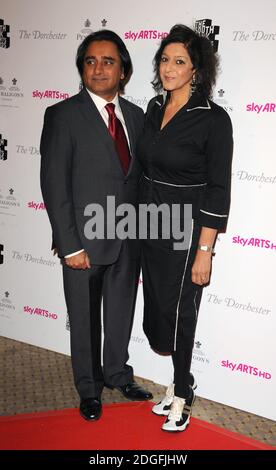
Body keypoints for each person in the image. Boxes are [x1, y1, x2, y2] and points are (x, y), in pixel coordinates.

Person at [40, 30, 152, 422]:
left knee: (121, 312)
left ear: (123, 70)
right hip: (83, 242)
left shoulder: (137, 117)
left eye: (108, 61)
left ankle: (118, 373)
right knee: (84, 320)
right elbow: (54, 184)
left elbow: (137, 180)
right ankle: (88, 388)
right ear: (81, 68)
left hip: (128, 239)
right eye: (90, 61)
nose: (99, 68)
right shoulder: (62, 115)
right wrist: (69, 245)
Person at [137, 24, 233, 432]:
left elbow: (217, 189)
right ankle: (180, 381)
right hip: (149, 226)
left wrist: (204, 251)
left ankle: (182, 392)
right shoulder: (154, 109)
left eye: (180, 61)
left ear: (197, 69)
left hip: (186, 232)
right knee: (160, 313)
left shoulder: (213, 119)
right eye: (165, 59)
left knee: (182, 315)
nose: (170, 67)